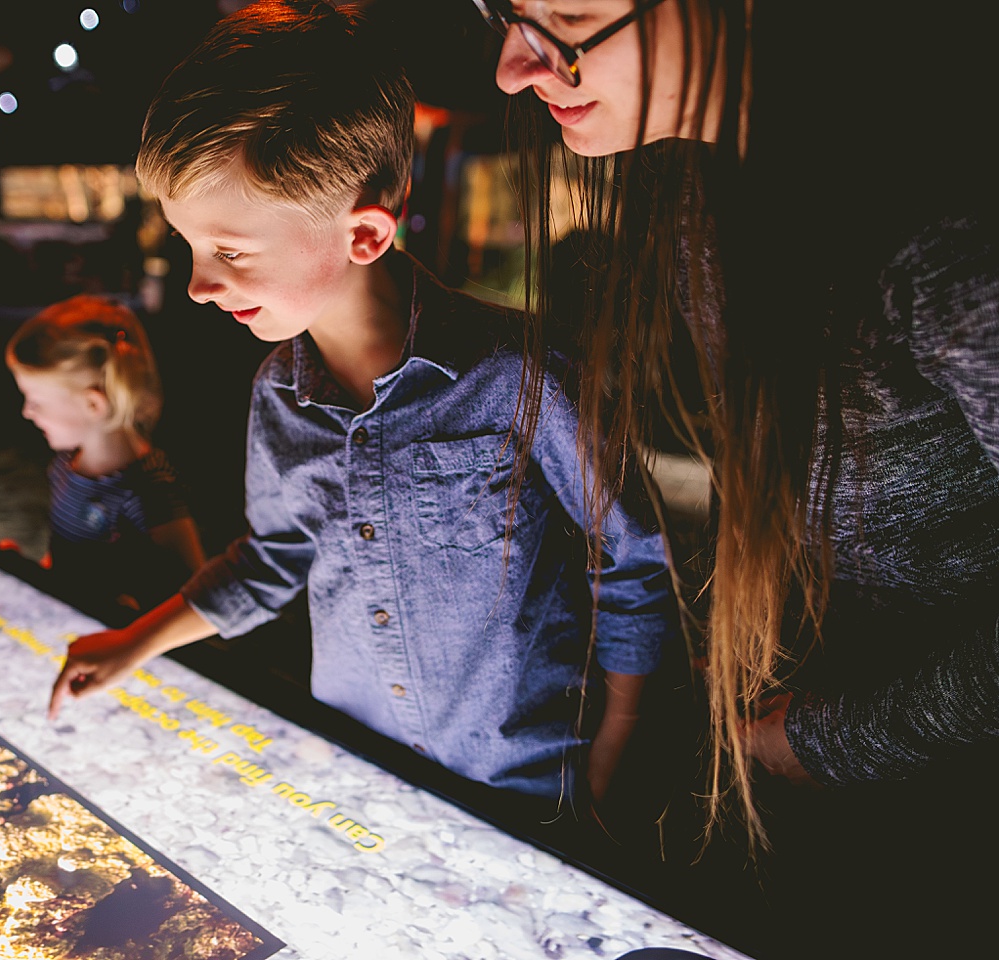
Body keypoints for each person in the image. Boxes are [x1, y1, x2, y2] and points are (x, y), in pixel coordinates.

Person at [48, 0, 679, 817]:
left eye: (230, 250)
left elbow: (631, 558)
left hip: (527, 784)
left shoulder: (523, 374)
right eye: (193, 247)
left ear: (366, 233)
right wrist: (139, 642)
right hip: (353, 774)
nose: (201, 284)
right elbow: (272, 556)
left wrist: (621, 734)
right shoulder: (278, 393)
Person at [473, 0, 999, 954]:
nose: (514, 66)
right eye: (504, 13)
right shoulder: (695, 181)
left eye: (567, 16)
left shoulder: (952, 229)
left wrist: (836, 739)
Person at [6, 294, 206, 622]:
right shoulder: (65, 465)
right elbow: (64, 562)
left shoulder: (150, 490)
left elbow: (190, 601)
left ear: (93, 405)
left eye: (36, 400)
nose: (27, 412)